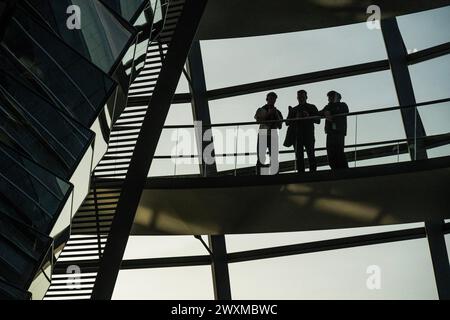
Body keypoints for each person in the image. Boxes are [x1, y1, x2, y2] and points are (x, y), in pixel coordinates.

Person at [286, 90, 320, 172]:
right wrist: (297, 118)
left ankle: (307, 173)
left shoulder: (296, 109)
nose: (300, 98)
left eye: (302, 97)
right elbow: (287, 122)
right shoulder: (297, 109)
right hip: (300, 135)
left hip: (306, 134)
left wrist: (308, 116)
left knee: (308, 155)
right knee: (303, 156)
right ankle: (309, 173)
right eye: (299, 97)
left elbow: (318, 120)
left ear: (306, 97)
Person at [254, 92, 283, 175]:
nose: (272, 101)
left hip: (273, 134)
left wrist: (275, 114)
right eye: (271, 99)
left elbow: (280, 125)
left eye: (274, 99)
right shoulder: (261, 109)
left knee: (273, 157)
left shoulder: (277, 112)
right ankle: (260, 176)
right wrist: (269, 114)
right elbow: (258, 121)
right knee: (261, 156)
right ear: (267, 99)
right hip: (263, 133)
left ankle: (274, 175)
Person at [321, 91, 349, 170]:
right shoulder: (328, 107)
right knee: (330, 152)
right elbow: (320, 113)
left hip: (338, 131)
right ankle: (335, 169)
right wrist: (325, 112)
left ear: (337, 98)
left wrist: (329, 112)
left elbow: (346, 111)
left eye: (331, 97)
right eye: (329, 97)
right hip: (330, 132)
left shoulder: (342, 105)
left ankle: (344, 170)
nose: (329, 99)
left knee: (339, 151)